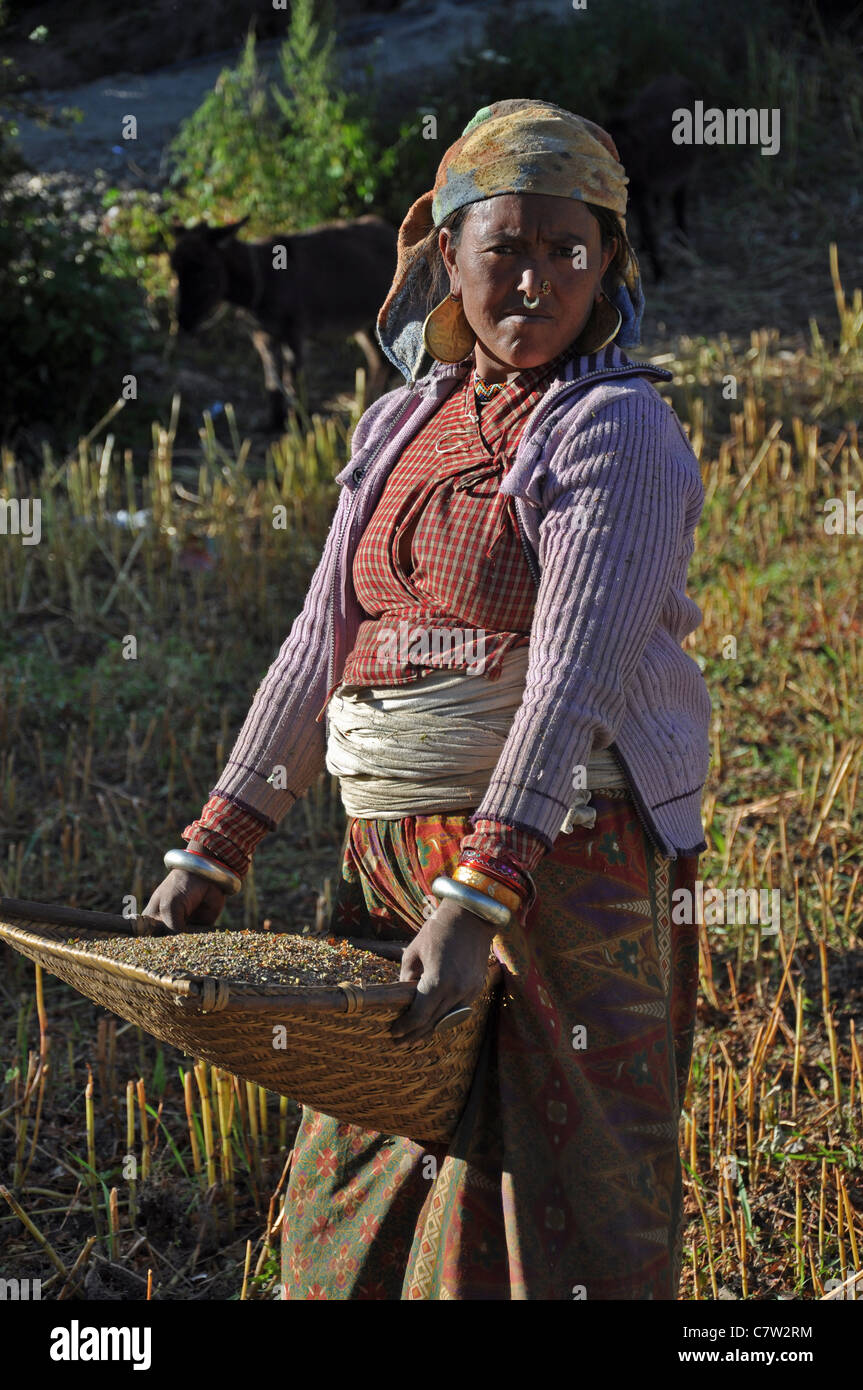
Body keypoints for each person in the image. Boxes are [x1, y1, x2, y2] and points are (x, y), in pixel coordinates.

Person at [144, 98, 712, 1300]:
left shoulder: (617, 430)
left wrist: (482, 892)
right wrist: (218, 841)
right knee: (362, 1168)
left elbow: (571, 677)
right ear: (443, 255)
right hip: (386, 861)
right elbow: (318, 641)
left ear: (607, 260)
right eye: (503, 244)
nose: (535, 278)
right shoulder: (400, 421)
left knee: (551, 1198)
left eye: (570, 247)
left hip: (556, 868)